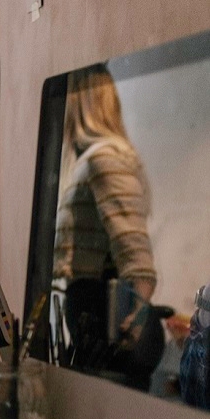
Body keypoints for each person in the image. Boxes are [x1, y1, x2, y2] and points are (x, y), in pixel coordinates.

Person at [52, 64, 163, 388]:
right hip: (97, 338)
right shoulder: (96, 160)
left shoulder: (105, 159)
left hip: (107, 341)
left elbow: (137, 260)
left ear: (80, 101)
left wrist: (128, 328)